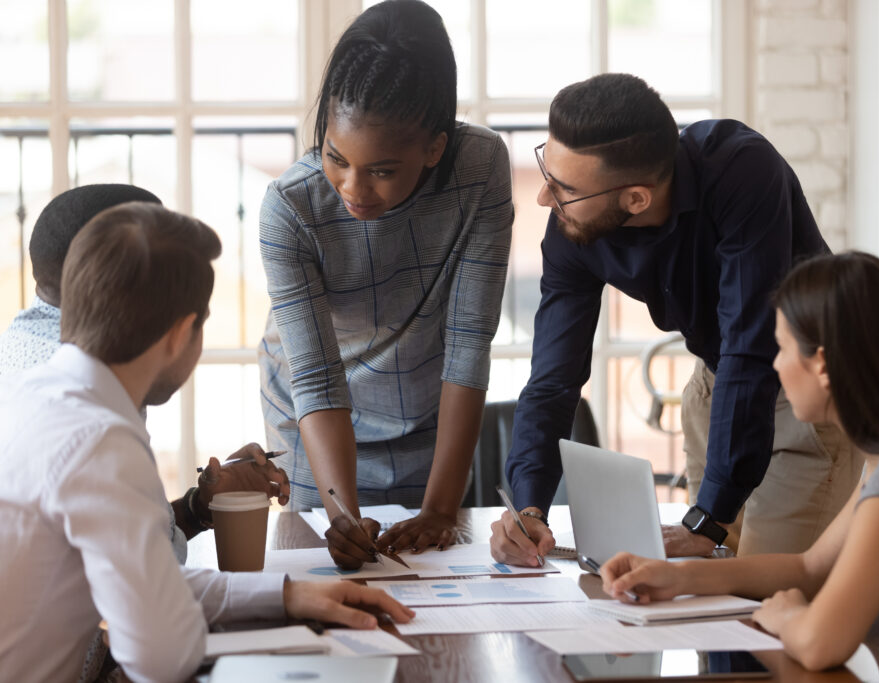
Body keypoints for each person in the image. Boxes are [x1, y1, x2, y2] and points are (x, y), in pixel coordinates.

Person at [0, 202, 414, 683]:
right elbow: (161, 656)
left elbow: (146, 580)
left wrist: (285, 596)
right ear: (180, 335)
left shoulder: (31, 398)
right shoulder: (98, 440)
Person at [599, 252, 879, 680]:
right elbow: (810, 568)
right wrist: (682, 578)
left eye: (781, 348)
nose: (776, 365)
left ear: (821, 364)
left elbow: (821, 643)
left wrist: (788, 614)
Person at [490, 73, 859, 566]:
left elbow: (752, 346)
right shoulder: (572, 226)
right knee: (697, 604)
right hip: (716, 387)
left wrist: (710, 520)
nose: (543, 198)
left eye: (564, 188)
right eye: (547, 172)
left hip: (805, 395)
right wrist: (529, 505)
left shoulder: (742, 170)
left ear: (636, 198)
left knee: (768, 599)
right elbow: (552, 378)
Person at [258, 0, 513, 568]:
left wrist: (442, 510)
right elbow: (318, 380)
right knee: (337, 578)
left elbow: (470, 342)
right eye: (335, 157)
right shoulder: (289, 209)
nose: (353, 188)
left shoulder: (480, 170)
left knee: (432, 581)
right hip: (315, 422)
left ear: (433, 149)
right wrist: (342, 517)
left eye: (381, 170)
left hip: (427, 412)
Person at [0, 183, 290, 564]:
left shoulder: (21, 353)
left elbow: (125, 551)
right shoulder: (96, 405)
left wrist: (200, 505)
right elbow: (150, 593)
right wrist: (288, 597)